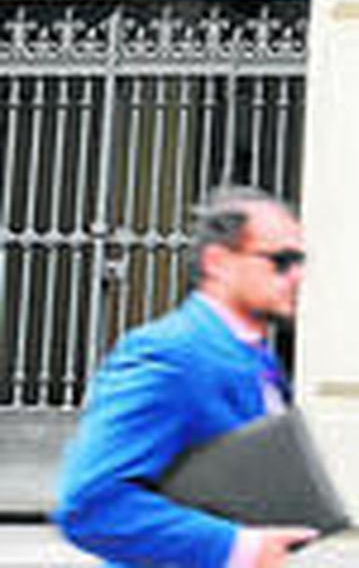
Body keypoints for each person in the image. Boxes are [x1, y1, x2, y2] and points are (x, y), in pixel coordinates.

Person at [54, 186, 316, 567]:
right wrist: (237, 547)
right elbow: (91, 504)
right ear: (218, 262)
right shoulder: (168, 354)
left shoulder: (256, 358)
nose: (296, 276)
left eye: (300, 261)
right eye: (281, 261)